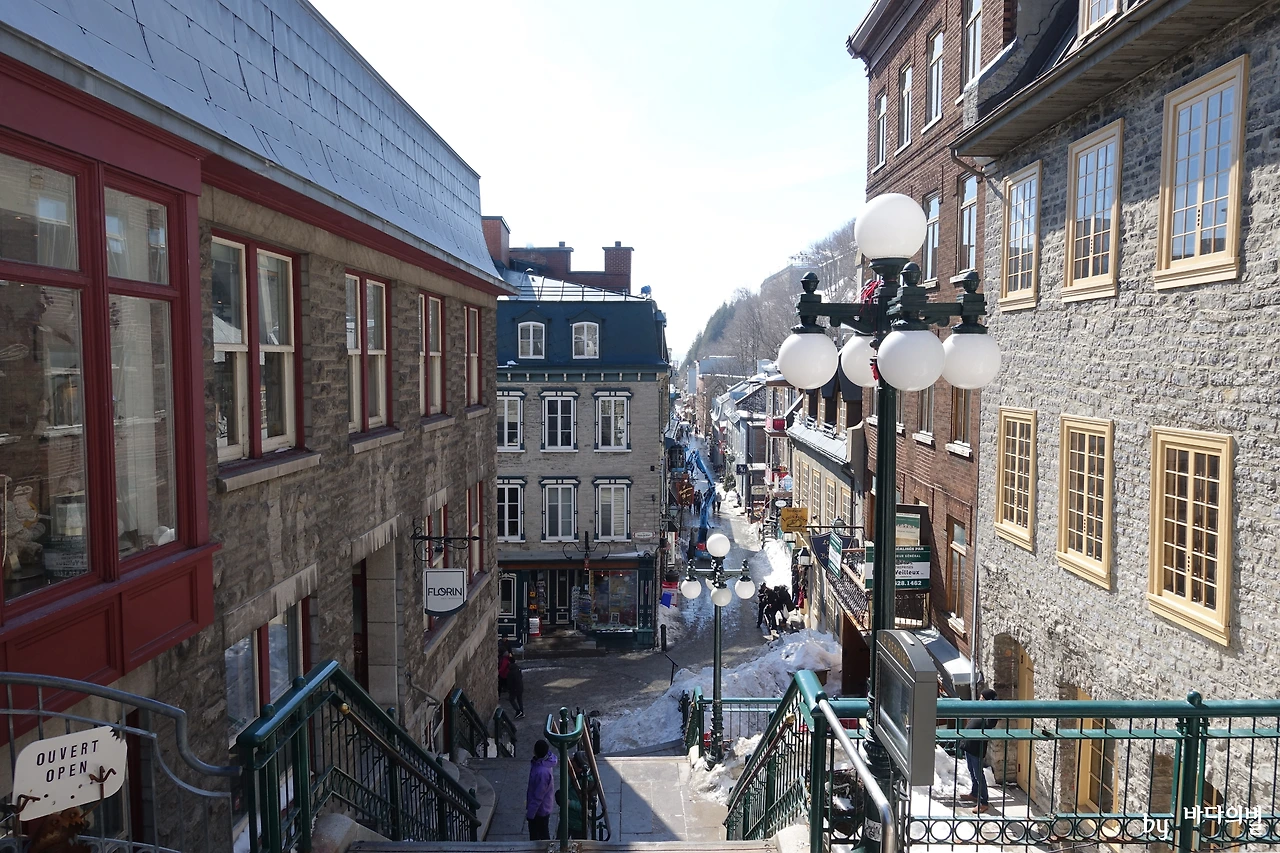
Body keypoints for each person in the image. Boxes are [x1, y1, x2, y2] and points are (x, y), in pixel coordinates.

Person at [959, 688, 999, 814]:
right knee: (972, 771)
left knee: (978, 774)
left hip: (977, 747)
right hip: (969, 746)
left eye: (982, 698)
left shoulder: (990, 712)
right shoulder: (980, 709)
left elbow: (990, 723)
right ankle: (974, 793)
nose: (980, 700)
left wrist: (990, 707)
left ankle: (984, 802)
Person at [526, 739, 558, 840]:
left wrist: (530, 813)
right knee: (543, 832)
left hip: (540, 810)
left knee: (539, 835)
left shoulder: (541, 772)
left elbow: (538, 796)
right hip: (543, 807)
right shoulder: (544, 764)